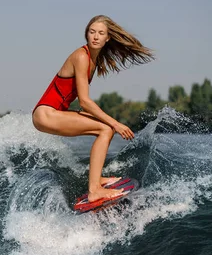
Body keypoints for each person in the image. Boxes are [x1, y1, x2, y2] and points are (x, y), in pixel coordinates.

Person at [32, 15, 154, 203]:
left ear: (108, 38)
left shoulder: (93, 61)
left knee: (105, 127)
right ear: (86, 35)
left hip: (53, 112)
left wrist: (106, 120)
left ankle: (96, 180)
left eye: (101, 33)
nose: (96, 36)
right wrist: (116, 123)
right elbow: (85, 102)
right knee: (106, 128)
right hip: (46, 114)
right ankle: (94, 189)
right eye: (92, 32)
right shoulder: (81, 56)